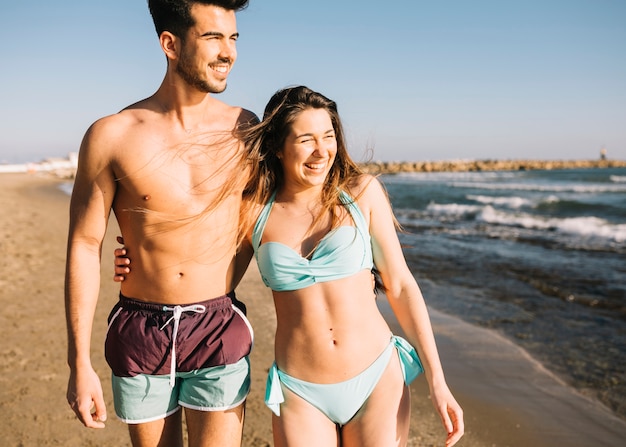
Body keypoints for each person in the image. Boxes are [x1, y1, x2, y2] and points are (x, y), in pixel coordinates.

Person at [115, 86, 465, 446]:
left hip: (375, 378)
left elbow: (401, 285)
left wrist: (438, 381)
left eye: (329, 136)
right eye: (306, 139)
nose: (322, 151)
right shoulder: (253, 212)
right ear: (279, 148)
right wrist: (139, 260)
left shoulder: (362, 193)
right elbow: (203, 265)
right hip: (300, 391)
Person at [64, 1, 255, 447]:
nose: (229, 52)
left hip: (217, 323)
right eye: (213, 37)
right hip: (140, 327)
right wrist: (79, 362)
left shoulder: (246, 131)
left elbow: (279, 216)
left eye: (233, 38)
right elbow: (84, 244)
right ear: (170, 43)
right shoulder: (112, 135)